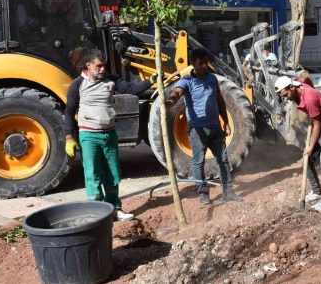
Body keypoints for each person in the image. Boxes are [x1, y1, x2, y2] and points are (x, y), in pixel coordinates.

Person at [64, 49, 154, 220]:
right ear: (88, 66)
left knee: (113, 174)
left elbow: (132, 89)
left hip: (109, 135)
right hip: (88, 136)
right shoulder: (77, 85)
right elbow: (69, 112)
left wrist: (151, 81)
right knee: (93, 175)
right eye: (98, 66)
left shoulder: (111, 80)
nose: (102, 69)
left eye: (103, 66)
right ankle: (97, 214)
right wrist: (69, 138)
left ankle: (115, 209)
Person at [167, 48, 242, 204]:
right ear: (193, 63)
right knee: (198, 162)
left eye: (206, 63)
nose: (205, 66)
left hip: (215, 128)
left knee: (223, 160)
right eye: (201, 63)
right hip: (197, 130)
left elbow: (220, 100)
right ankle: (203, 195)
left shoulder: (212, 79)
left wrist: (226, 122)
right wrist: (171, 101)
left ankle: (228, 192)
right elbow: (177, 92)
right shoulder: (187, 81)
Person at [275, 76, 321, 212]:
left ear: (292, 87)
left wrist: (311, 146)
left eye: (286, 94)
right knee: (306, 159)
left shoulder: (310, 98)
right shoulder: (297, 86)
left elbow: (317, 124)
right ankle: (317, 191)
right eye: (283, 96)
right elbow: (302, 78)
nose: (286, 98)